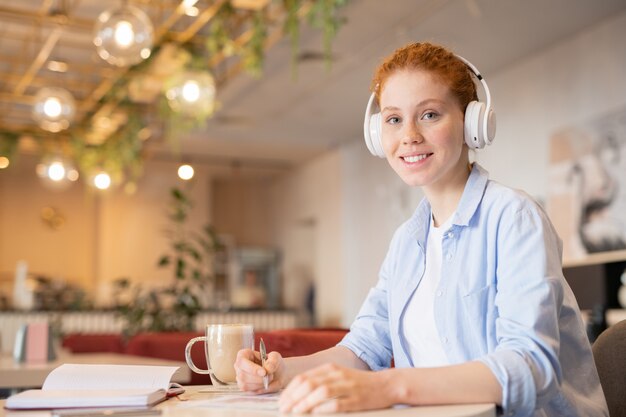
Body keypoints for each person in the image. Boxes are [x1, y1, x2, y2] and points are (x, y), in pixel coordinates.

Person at [234, 42, 608, 416]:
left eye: (429, 114)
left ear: (473, 122)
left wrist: (388, 386)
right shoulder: (406, 243)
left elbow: (530, 367)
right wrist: (282, 373)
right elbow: (365, 349)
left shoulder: (514, 217)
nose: (409, 134)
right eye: (394, 119)